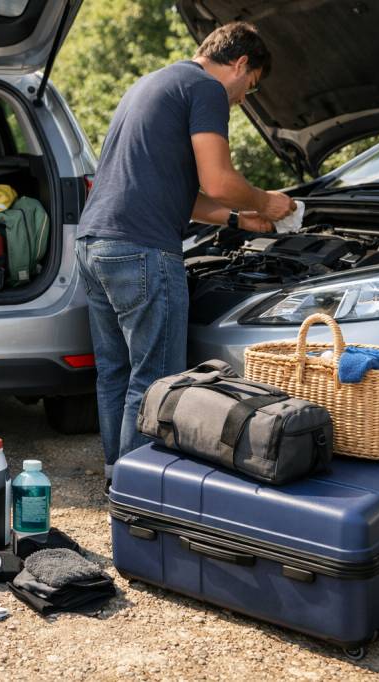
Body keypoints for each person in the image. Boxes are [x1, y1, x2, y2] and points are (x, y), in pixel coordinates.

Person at [75, 22, 296, 487]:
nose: (240, 100)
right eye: (248, 87)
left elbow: (184, 193)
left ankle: (119, 475)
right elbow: (218, 182)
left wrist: (238, 220)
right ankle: (141, 492)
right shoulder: (206, 89)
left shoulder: (154, 83)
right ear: (239, 64)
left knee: (117, 371)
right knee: (156, 378)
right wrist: (265, 202)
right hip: (141, 250)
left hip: (96, 244)